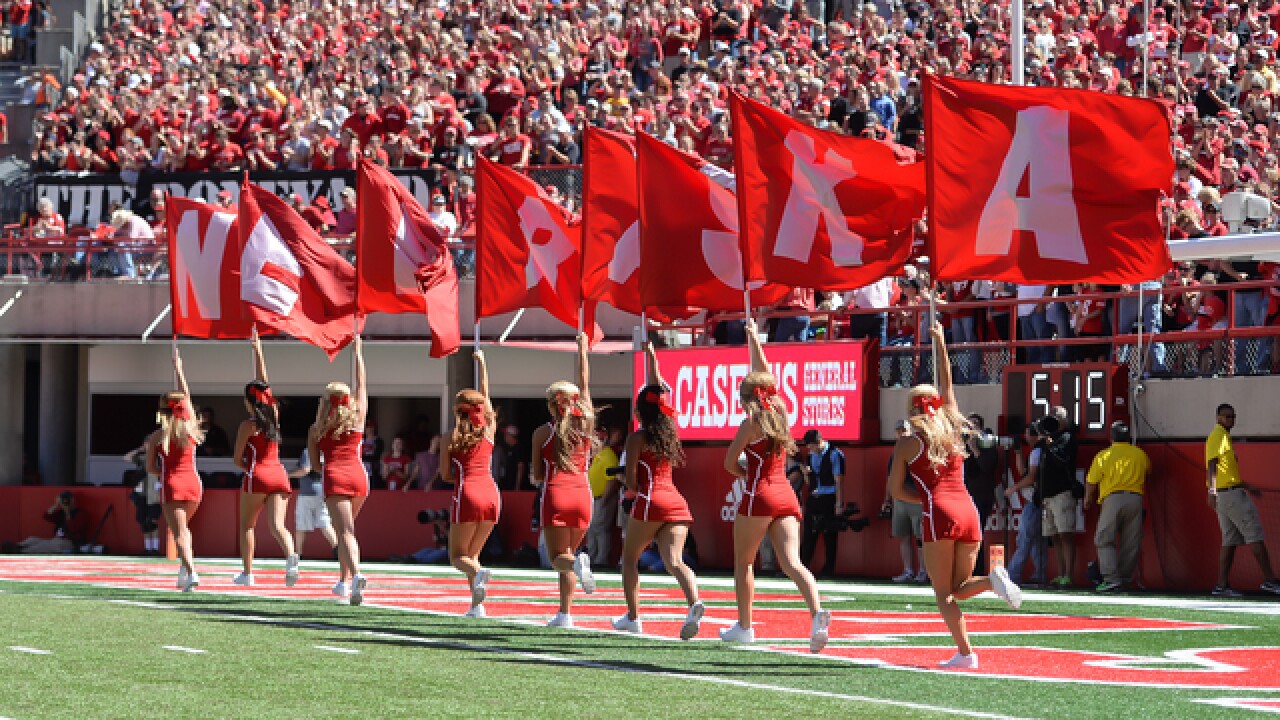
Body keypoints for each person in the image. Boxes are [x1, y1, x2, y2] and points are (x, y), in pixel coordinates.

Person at [887, 321, 1022, 669]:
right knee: (961, 586)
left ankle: (966, 653)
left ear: (911, 408)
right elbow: (948, 382)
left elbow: (894, 489)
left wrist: (925, 500)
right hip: (968, 509)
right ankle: (993, 580)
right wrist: (942, 343)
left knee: (943, 592)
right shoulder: (951, 426)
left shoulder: (907, 442)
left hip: (940, 512)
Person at [722, 322, 830, 653]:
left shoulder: (749, 424)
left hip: (758, 493)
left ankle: (744, 626)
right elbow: (765, 373)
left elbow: (729, 463)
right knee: (793, 563)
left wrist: (746, 472)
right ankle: (816, 613)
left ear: (745, 398)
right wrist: (754, 338)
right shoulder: (781, 411)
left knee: (744, 563)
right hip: (786, 492)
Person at [613, 342, 704, 639]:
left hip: (651, 499)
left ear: (640, 410)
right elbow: (659, 391)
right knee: (674, 561)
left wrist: (628, 485)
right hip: (677, 502)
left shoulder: (636, 438)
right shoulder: (670, 430)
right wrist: (652, 358)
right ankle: (694, 603)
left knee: (629, 559)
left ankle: (634, 617)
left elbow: (631, 481)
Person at [530, 332, 597, 627]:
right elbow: (585, 384)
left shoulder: (541, 433)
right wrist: (582, 351)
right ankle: (565, 613)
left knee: (559, 558)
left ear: (549, 405)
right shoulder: (586, 423)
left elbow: (538, 474)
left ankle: (576, 566)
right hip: (583, 494)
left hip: (556, 492)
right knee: (567, 552)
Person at [231, 328, 299, 587]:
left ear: (248, 402)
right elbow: (265, 383)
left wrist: (246, 465)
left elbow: (237, 460)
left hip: (257, 474)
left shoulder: (247, 425)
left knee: (247, 525)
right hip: (279, 474)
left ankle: (248, 573)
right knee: (278, 526)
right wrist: (258, 349)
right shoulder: (275, 415)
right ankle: (291, 556)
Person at [307, 336, 371, 605]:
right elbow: (362, 385)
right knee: (348, 530)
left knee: (345, 532)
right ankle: (343, 581)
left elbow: (315, 465)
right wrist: (357, 353)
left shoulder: (317, 428)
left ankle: (355, 576)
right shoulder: (357, 419)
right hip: (359, 476)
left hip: (335, 475)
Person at [440, 350, 502, 619]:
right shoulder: (488, 430)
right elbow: (486, 400)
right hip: (492, 493)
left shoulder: (449, 437)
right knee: (472, 552)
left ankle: (479, 574)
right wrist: (483, 364)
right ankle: (477, 607)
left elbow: (445, 475)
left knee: (457, 557)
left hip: (467, 493)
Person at [145, 346, 204, 591]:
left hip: (173, 484)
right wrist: (179, 369)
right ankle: (184, 567)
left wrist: (166, 473)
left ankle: (191, 572)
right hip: (194, 483)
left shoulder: (158, 436)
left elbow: (150, 467)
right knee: (184, 530)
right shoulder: (190, 427)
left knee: (178, 532)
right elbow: (187, 396)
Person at [1205, 404, 1280, 596]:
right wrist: (1211, 489)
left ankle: (1221, 586)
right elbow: (1212, 464)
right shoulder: (1218, 435)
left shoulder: (1222, 436)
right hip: (1230, 495)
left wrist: (1246, 486)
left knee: (1229, 540)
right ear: (1218, 417)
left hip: (1227, 493)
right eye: (1226, 417)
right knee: (1254, 533)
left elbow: (1225, 472)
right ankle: (1270, 581)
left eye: (1233, 417)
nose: (1231, 420)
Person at [1084, 422, 1150, 592]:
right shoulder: (1139, 454)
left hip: (1112, 498)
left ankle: (1111, 578)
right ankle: (1125, 579)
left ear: (1111, 437)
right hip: (1136, 498)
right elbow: (1148, 471)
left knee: (1104, 539)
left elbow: (1091, 482)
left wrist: (1088, 499)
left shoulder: (1104, 455)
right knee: (1131, 542)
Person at [1037, 415, 1081, 588]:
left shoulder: (1068, 438)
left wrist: (1049, 445)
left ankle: (1069, 575)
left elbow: (1063, 461)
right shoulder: (1046, 440)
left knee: (1065, 535)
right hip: (1047, 495)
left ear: (1063, 421)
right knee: (1054, 537)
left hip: (1062, 493)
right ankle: (1060, 573)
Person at [1005, 424, 1049, 587]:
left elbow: (1030, 478)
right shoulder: (1039, 451)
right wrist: (1018, 452)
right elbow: (1024, 471)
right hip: (1038, 502)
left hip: (1035, 502)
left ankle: (1012, 574)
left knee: (1024, 539)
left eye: (1027, 435)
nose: (1025, 438)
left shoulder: (1037, 451)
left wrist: (1013, 489)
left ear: (1035, 435)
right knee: (1037, 541)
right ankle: (1040, 574)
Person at [799, 429, 845, 578]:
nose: (809, 449)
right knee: (809, 534)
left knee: (829, 535)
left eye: (811, 446)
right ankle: (802, 566)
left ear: (819, 442)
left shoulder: (834, 454)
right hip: (814, 497)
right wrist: (806, 474)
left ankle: (828, 569)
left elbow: (838, 481)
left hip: (828, 497)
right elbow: (809, 483)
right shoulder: (811, 456)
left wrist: (838, 503)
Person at [887, 420, 926, 584]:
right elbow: (890, 478)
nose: (901, 433)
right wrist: (887, 498)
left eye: (904, 430)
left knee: (920, 537)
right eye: (899, 430)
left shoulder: (918, 450)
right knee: (903, 535)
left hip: (915, 497)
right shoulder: (895, 453)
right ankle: (908, 570)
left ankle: (923, 570)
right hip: (900, 498)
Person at [290, 448, 340, 569]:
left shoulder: (309, 451)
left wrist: (288, 474)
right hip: (322, 490)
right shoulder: (327, 450)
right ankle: (337, 549)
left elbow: (305, 470)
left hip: (307, 491)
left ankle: (298, 554)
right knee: (325, 523)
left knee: (301, 525)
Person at [963, 414, 1000, 574]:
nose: (972, 427)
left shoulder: (987, 443)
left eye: (976, 424)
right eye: (969, 424)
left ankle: (977, 571)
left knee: (976, 532)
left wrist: (975, 448)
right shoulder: (961, 444)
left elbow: (987, 466)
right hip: (964, 495)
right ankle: (963, 569)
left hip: (981, 495)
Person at [586, 426, 623, 568]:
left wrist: (604, 500)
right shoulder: (596, 456)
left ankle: (601, 561)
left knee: (601, 530)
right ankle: (592, 558)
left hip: (603, 498)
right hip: (593, 498)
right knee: (592, 530)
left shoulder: (608, 455)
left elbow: (612, 481)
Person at [16, 491, 85, 554]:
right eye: (63, 500)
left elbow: (73, 528)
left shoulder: (79, 513)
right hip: (55, 540)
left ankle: (21, 552)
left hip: (69, 542)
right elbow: (46, 516)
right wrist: (56, 505)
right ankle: (16, 546)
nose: (65, 501)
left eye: (67, 499)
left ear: (72, 500)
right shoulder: (61, 512)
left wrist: (67, 512)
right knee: (32, 539)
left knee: (43, 546)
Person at [124, 442, 162, 555]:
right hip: (142, 493)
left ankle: (155, 549)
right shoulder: (141, 457)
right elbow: (126, 458)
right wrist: (139, 450)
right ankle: (147, 548)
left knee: (152, 521)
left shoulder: (159, 457)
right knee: (143, 521)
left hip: (153, 493)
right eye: (146, 444)